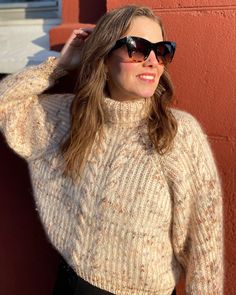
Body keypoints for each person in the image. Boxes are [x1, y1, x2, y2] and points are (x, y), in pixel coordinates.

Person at [0, 5, 223, 295]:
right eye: (138, 48)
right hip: (72, 284)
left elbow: (205, 247)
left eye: (162, 50)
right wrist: (59, 66)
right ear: (104, 58)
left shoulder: (179, 135)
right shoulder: (68, 117)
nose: (153, 61)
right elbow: (5, 103)